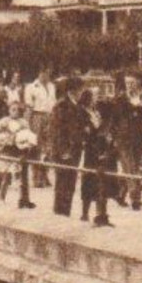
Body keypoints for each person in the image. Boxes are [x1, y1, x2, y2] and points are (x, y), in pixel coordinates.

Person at [112, 79, 142, 210]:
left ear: (138, 85)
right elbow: (115, 118)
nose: (130, 86)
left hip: (139, 139)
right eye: (127, 84)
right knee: (130, 167)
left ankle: (120, 194)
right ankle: (136, 199)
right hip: (124, 139)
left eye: (133, 84)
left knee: (135, 167)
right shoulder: (121, 100)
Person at [49, 78, 86, 217]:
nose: (82, 93)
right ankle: (59, 212)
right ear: (73, 90)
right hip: (63, 151)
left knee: (70, 182)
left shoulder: (77, 105)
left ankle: (65, 212)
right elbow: (56, 130)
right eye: (80, 90)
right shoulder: (62, 106)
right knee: (62, 182)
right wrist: (63, 150)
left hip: (74, 149)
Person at [80, 88, 114, 226]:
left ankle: (101, 214)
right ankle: (85, 213)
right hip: (90, 150)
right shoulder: (83, 112)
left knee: (101, 181)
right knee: (89, 179)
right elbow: (87, 131)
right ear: (88, 97)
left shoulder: (97, 112)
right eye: (95, 96)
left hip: (100, 147)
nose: (97, 98)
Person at [23, 69, 57, 188]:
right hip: (37, 116)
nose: (46, 75)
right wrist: (26, 124)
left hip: (50, 116)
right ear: (39, 73)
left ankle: (44, 174)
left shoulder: (52, 86)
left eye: (48, 72)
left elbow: (53, 104)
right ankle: (36, 177)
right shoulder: (31, 87)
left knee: (48, 147)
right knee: (36, 147)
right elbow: (29, 107)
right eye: (44, 72)